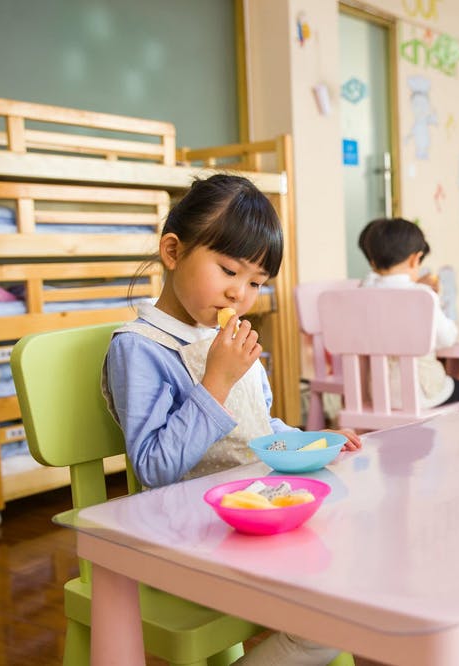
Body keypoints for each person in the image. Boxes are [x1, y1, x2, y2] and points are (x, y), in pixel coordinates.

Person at [104, 174, 360, 666]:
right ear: (173, 252)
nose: (240, 294)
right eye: (228, 270)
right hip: (186, 535)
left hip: (250, 514)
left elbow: (256, 429)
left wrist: (308, 439)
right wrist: (215, 382)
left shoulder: (230, 336)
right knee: (329, 622)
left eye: (256, 283)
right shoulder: (138, 348)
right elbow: (155, 467)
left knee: (351, 571)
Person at [358, 217, 459, 411]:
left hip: (378, 395)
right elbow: (446, 338)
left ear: (372, 260)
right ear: (415, 259)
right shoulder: (422, 295)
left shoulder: (361, 293)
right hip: (422, 394)